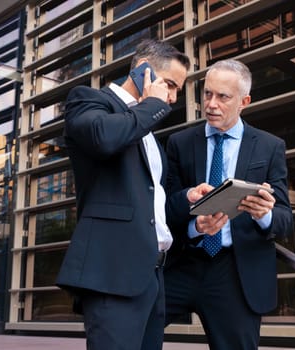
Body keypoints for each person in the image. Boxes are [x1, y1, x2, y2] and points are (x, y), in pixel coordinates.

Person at [55, 39, 190, 350]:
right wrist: (152, 105)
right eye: (169, 85)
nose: (171, 98)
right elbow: (103, 138)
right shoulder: (88, 100)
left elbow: (153, 203)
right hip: (112, 274)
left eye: (176, 91)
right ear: (143, 69)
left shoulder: (148, 134)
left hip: (152, 276)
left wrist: (188, 200)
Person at [164, 59, 294, 349]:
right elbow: (166, 207)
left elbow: (286, 219)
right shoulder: (179, 143)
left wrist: (265, 215)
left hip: (235, 271)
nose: (211, 104)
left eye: (223, 97)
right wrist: (194, 224)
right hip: (183, 262)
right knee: (135, 329)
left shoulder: (269, 147)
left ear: (244, 101)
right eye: (207, 94)